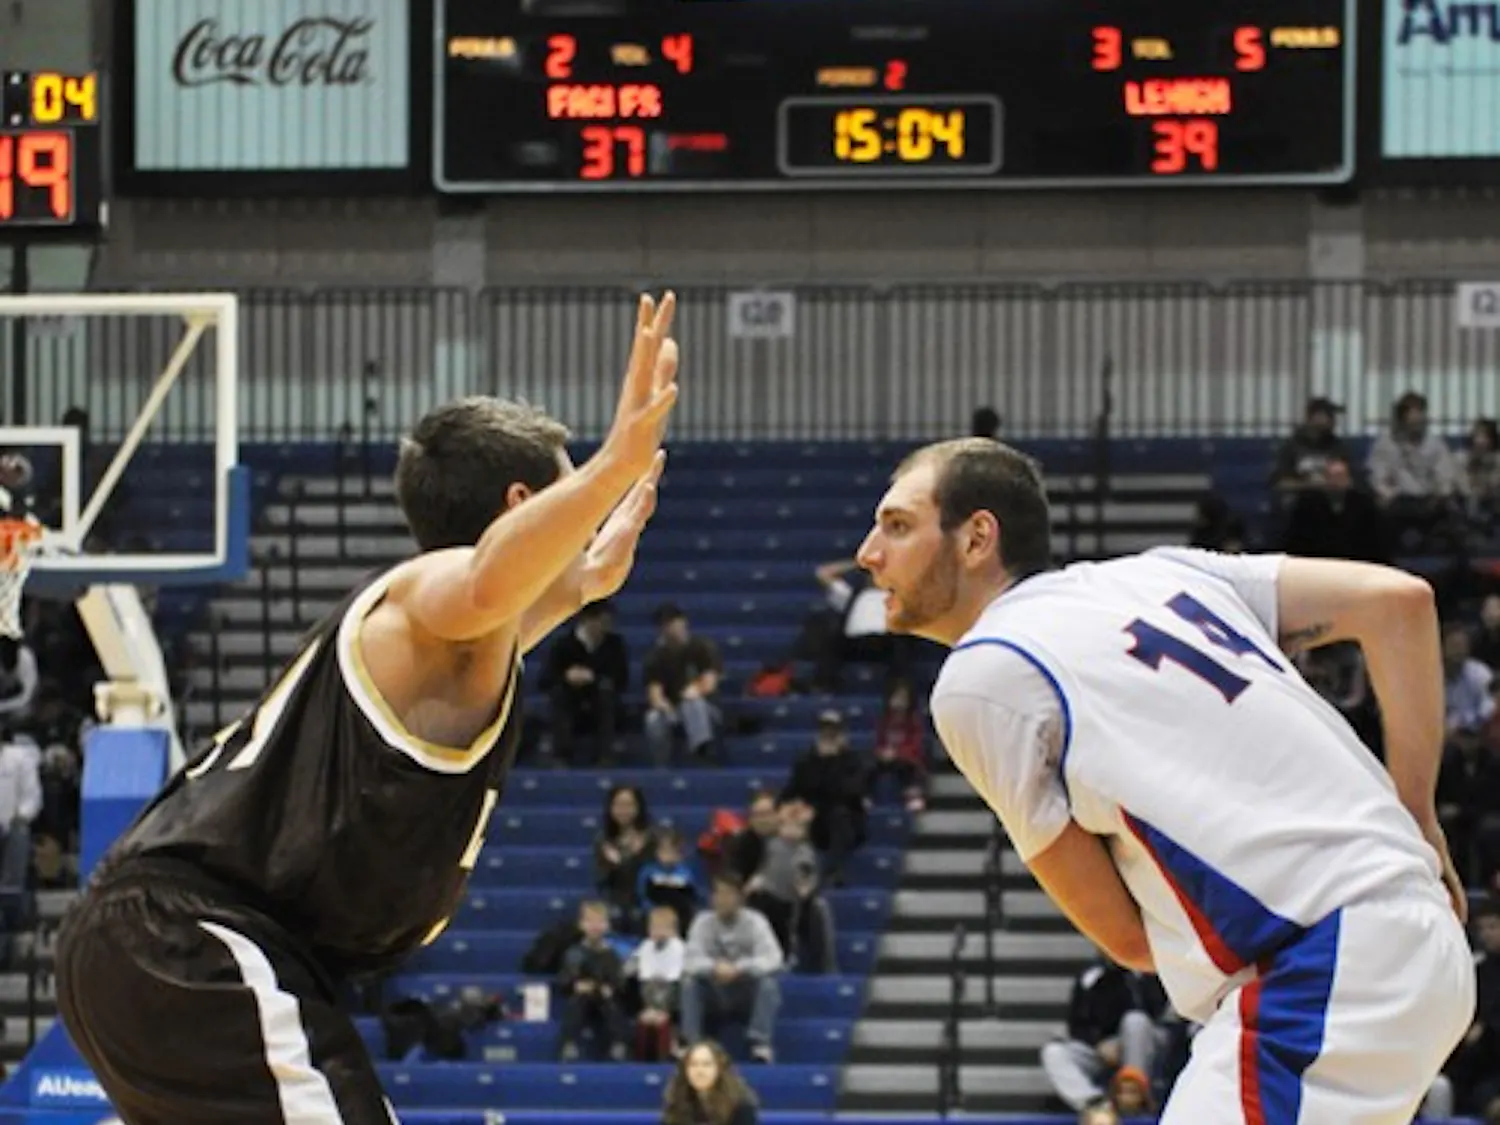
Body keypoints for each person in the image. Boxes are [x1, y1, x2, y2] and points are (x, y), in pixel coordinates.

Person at [52, 292, 683, 1123]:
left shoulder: (460, 650)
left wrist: (591, 578)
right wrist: (614, 463)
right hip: (190, 937)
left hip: (182, 947)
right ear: (521, 504)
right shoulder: (425, 595)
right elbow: (494, 579)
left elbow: (514, 608)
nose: (587, 514)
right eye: (570, 500)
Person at [854, 436, 1474, 1124]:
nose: (868, 551)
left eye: (898, 525)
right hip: (1412, 937)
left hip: (1318, 963)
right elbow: (1399, 602)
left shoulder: (982, 676)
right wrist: (1417, 815)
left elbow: (1125, 938)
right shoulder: (1165, 574)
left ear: (976, 538)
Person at [661, 1040, 760, 1125]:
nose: (699, 1071)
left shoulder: (740, 1105)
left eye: (706, 1064)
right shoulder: (675, 1101)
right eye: (693, 1064)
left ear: (720, 1068)